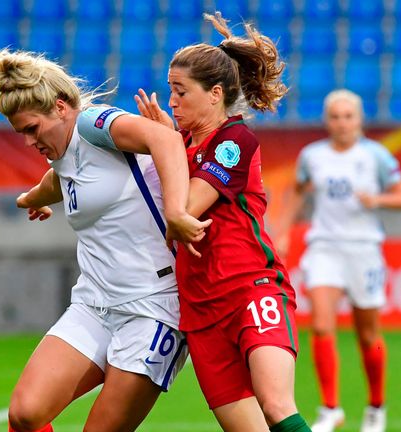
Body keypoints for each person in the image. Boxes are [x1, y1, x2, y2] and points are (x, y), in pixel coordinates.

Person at [0, 48, 210, 432]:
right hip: (94, 303)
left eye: (31, 129)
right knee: (25, 414)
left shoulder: (93, 122)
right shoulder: (62, 150)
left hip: (154, 309)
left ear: (60, 108)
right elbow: (59, 178)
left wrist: (176, 211)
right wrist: (32, 199)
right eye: (20, 132)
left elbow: (166, 140)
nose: (28, 142)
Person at [134, 12, 312, 432]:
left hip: (251, 289)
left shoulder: (234, 141)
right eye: (170, 91)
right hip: (199, 310)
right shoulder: (176, 145)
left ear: (215, 94)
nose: (172, 101)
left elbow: (187, 206)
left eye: (181, 92)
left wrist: (164, 148)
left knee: (275, 404)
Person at [274, 89, 401, 432]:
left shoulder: (376, 156)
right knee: (321, 325)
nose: (341, 123)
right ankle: (330, 408)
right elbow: (298, 190)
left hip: (364, 249)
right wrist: (282, 230)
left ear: (359, 119)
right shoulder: (313, 156)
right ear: (327, 120)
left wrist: (376, 198)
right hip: (324, 246)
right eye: (335, 117)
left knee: (369, 335)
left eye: (348, 116)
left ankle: (376, 407)